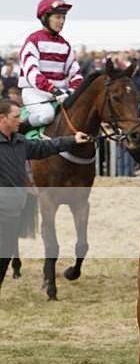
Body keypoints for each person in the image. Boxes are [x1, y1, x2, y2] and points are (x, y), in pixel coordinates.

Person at [0, 100, 90, 288]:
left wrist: (72, 140)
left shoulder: (19, 141)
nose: (21, 121)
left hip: (12, 213)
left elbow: (44, 148)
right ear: (2, 119)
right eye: (16, 117)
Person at [18, 0, 84, 131]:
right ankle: (20, 129)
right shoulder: (33, 41)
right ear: (45, 18)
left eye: (63, 17)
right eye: (58, 17)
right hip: (35, 92)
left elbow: (76, 74)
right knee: (47, 115)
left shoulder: (65, 45)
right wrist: (52, 89)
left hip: (60, 94)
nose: (62, 21)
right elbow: (32, 73)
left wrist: (71, 90)